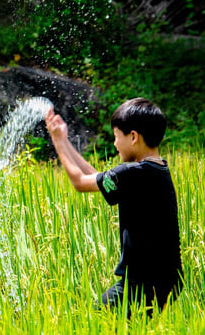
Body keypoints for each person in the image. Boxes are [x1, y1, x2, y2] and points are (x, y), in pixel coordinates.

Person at [44, 97, 183, 316]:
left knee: (93, 323)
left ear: (134, 137)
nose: (115, 144)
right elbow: (94, 176)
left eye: (117, 137)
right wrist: (66, 141)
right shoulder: (153, 170)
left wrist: (58, 141)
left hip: (142, 283)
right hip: (164, 279)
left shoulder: (132, 173)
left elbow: (80, 182)